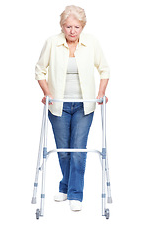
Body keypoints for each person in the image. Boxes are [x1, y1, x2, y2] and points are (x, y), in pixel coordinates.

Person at [35, 5, 110, 211]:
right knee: (63, 151)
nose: (72, 31)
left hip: (85, 106)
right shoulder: (52, 43)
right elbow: (39, 70)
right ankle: (65, 186)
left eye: (77, 26)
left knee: (77, 150)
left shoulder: (92, 43)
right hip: (58, 105)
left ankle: (75, 194)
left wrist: (101, 94)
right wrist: (47, 94)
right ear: (62, 26)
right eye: (68, 26)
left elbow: (104, 69)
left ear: (82, 26)